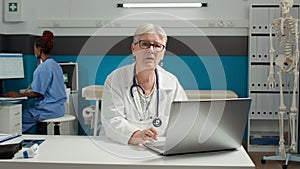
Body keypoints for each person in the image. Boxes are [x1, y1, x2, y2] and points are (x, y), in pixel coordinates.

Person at [101, 23, 187, 145]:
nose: (151, 50)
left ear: (162, 53)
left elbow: (183, 120)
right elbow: (112, 120)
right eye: (145, 44)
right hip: (120, 146)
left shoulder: (172, 83)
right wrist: (136, 135)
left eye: (157, 46)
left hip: (158, 148)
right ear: (133, 49)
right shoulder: (116, 79)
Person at [3, 30, 67, 134]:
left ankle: (11, 141)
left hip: (48, 110)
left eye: (35, 49)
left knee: (17, 118)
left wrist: (18, 95)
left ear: (39, 49)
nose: (34, 52)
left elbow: (37, 93)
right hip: (58, 109)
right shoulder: (55, 64)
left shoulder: (43, 67)